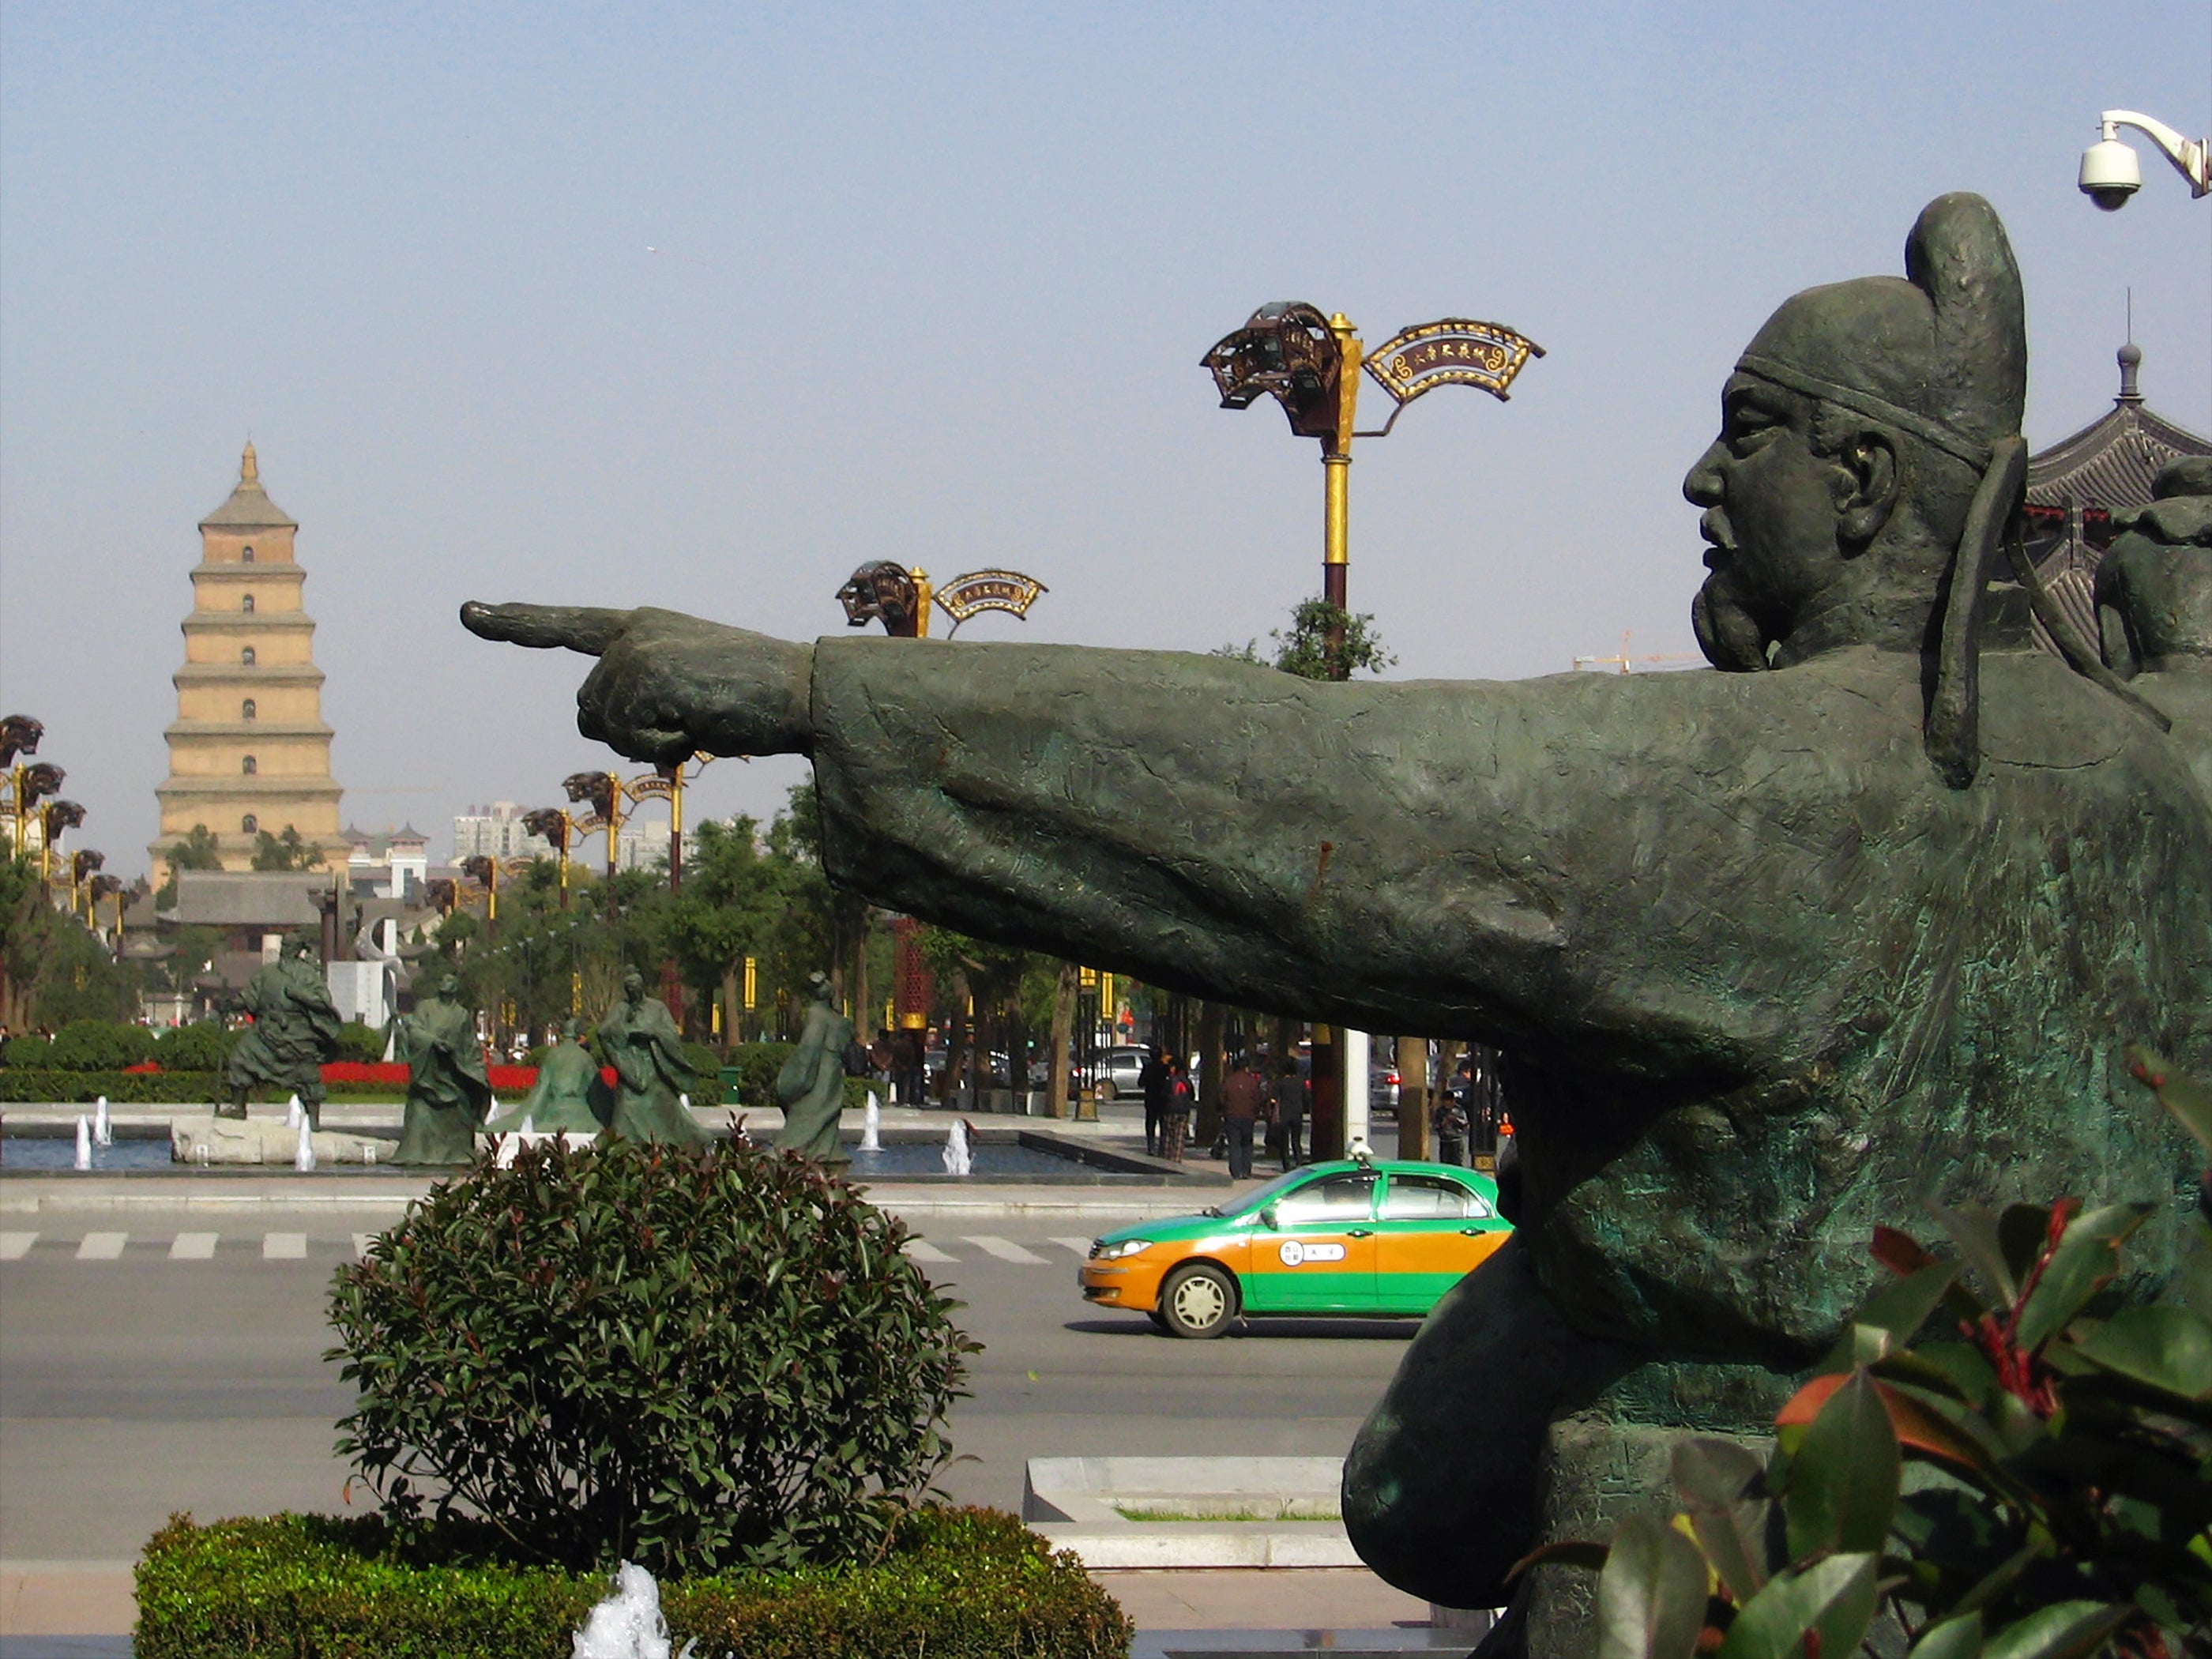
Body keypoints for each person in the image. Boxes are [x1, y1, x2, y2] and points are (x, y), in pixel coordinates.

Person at [461, 194, 2210, 1620]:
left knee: (1428, 1491)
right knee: (1416, 1482)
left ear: (1856, 484)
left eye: (1741, 441)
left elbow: (1314, 787)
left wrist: (805, 692)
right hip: (2088, 1465)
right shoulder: (2145, 765)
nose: (1697, 483)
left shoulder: (1794, 786)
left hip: (1785, 1464)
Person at [222, 941, 342, 1127]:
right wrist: (231, 1004)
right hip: (266, 1031)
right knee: (240, 1058)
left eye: (290, 946)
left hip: (297, 1033)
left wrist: (300, 994)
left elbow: (323, 1002)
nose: (286, 949)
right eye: (284, 945)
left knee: (307, 1075)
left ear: (298, 950)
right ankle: (238, 1108)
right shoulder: (267, 972)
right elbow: (249, 998)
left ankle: (312, 1119)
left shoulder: (307, 974)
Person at [597, 969, 708, 1146]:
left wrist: (654, 1034)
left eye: (636, 988)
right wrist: (625, 1032)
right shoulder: (621, 1009)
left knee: (668, 1108)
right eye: (629, 989)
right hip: (632, 1067)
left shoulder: (657, 1008)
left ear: (642, 988)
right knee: (624, 1109)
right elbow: (604, 1032)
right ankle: (620, 1147)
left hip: (655, 1066)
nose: (633, 992)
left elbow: (672, 1035)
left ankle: (692, 1142)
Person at [393, 972, 491, 1164]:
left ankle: (458, 1153)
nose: (444, 983)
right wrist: (433, 1042)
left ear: (455, 988)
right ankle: (416, 1152)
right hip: (428, 1072)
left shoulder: (461, 1015)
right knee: (420, 1109)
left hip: (452, 1071)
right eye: (442, 980)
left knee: (462, 1108)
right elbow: (414, 1030)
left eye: (449, 981)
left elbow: (469, 1046)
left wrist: (475, 1069)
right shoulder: (425, 1007)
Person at [775, 972, 855, 1164]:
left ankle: (794, 1149)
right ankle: (826, 1151)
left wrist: (796, 1075)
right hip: (832, 1071)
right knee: (827, 1111)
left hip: (820, 1069)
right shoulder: (839, 1020)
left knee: (809, 1111)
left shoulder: (816, 1014)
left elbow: (809, 1047)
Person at [485, 1017, 606, 1136]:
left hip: (556, 1115)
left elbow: (540, 1093)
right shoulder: (586, 1058)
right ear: (581, 1036)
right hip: (583, 1117)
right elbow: (598, 1095)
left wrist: (511, 1120)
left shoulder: (552, 1056)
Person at [1220, 1052, 1266, 1180]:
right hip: (1248, 1116)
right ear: (1246, 1068)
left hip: (1232, 1115)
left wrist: (1223, 1111)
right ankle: (1246, 1170)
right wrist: (1256, 1113)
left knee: (1234, 1144)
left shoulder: (1229, 1081)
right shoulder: (1252, 1082)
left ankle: (1236, 1171)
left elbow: (1222, 1099)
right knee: (1246, 1143)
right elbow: (1258, 1100)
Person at [1273, 1059, 1308, 1172]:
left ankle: (1286, 1165)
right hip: (1297, 1113)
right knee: (1296, 1140)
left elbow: (1274, 1099)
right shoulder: (1300, 1082)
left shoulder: (1280, 1082)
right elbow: (1306, 1097)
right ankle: (1298, 1161)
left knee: (1284, 1141)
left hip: (1284, 1114)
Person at [1137, 1044, 1171, 1157]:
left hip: (1151, 1098)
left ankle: (1151, 1146)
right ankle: (1163, 1146)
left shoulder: (1148, 1067)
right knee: (1163, 1123)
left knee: (1150, 1123)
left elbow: (1141, 1082)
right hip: (1163, 1098)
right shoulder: (1165, 1068)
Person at [1159, 1055, 1194, 1162]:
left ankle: (1167, 1159)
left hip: (1170, 1110)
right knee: (1179, 1137)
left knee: (1168, 1136)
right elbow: (1192, 1095)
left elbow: (1163, 1095)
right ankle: (1177, 1159)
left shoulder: (1169, 1080)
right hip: (1183, 1111)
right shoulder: (1186, 1081)